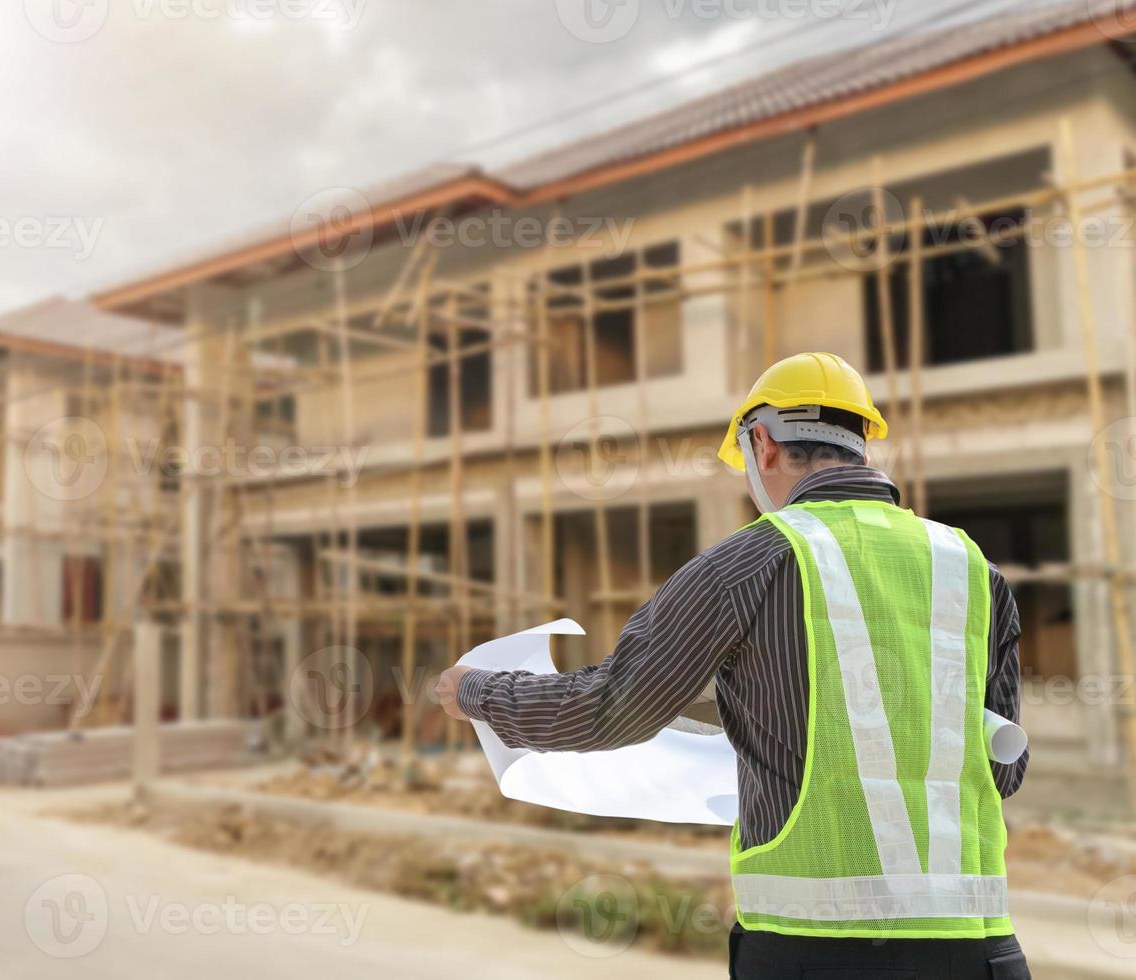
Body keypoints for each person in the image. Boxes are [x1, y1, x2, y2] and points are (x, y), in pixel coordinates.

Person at [436, 352, 1031, 979]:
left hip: (814, 952)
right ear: (862, 443)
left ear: (764, 444)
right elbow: (1005, 767)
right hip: (981, 950)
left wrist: (478, 689)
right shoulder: (970, 568)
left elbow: (612, 708)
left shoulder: (747, 564)